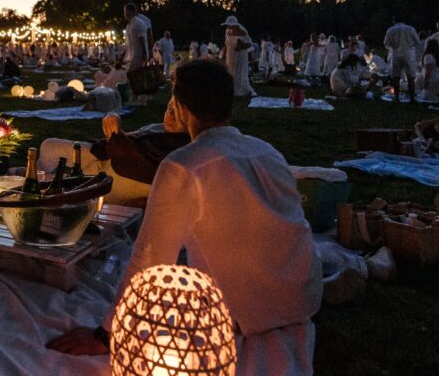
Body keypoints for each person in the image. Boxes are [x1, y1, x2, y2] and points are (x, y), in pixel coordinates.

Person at [47, 60, 322, 375]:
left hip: (247, 314)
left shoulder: (183, 165)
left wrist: (107, 334)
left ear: (179, 106)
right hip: (303, 298)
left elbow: (149, 257)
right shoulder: (268, 152)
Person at [383, 17, 421, 103]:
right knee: (410, 77)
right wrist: (410, 47)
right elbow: (417, 42)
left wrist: (394, 47)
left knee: (396, 77)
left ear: (394, 21)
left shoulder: (390, 30)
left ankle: (397, 98)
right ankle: (412, 98)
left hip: (396, 55)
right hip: (408, 55)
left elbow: (386, 43)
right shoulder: (411, 29)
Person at [221, 16, 255, 97]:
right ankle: (232, 90)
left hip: (240, 55)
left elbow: (249, 44)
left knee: (240, 72)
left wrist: (240, 46)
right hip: (230, 55)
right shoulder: (227, 31)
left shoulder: (242, 31)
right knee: (231, 72)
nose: (229, 27)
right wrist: (224, 54)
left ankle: (241, 91)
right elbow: (226, 43)